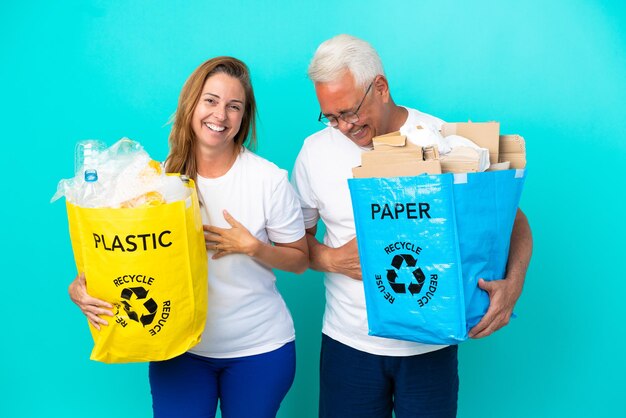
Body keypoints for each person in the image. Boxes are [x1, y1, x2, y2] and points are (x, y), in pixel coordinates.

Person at [291, 34, 533, 418]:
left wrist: (514, 283)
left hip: (429, 348)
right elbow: (294, 243)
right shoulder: (315, 152)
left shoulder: (443, 140)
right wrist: (333, 259)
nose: (343, 127)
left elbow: (513, 219)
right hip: (349, 344)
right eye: (331, 117)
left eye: (350, 112)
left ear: (381, 88)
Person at [69, 56, 309, 418]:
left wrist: (254, 248)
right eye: (210, 101)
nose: (220, 115)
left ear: (243, 118)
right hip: (180, 349)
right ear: (191, 104)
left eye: (234, 106)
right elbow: (124, 255)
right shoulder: (155, 182)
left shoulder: (268, 180)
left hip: (259, 351)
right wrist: (83, 286)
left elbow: (300, 259)